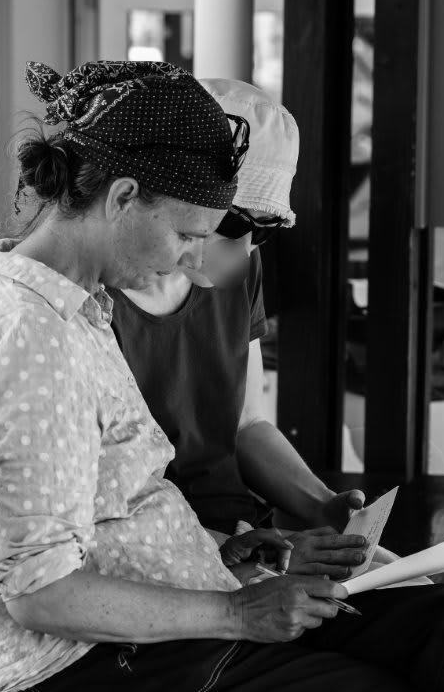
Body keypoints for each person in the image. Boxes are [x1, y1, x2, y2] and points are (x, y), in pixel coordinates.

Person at [0, 60, 444, 692]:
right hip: (104, 658)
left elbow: (115, 510)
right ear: (122, 197)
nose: (196, 258)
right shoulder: (35, 340)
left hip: (187, 599)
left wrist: (219, 547)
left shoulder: (71, 308)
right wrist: (235, 611)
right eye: (186, 232)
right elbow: (40, 595)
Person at [108, 78, 371, 578]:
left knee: (422, 587)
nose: (247, 249)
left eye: (265, 229)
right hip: (155, 550)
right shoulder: (95, 301)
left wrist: (323, 505)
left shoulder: (238, 274)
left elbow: (246, 425)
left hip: (246, 531)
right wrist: (230, 549)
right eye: (232, 224)